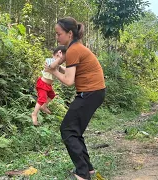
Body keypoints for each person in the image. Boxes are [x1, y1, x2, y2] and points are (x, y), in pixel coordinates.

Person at [45, 17, 106, 180]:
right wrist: (57, 66)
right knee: (74, 131)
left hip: (90, 93)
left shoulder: (73, 50)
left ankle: (82, 173)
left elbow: (68, 81)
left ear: (69, 33)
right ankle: (88, 169)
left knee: (67, 129)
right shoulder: (74, 48)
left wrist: (54, 72)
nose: (57, 38)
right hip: (94, 92)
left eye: (59, 34)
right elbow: (69, 71)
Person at [31, 46, 67, 126]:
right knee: (42, 98)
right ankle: (34, 114)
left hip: (48, 85)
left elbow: (65, 70)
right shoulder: (49, 60)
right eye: (62, 59)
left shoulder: (58, 65)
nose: (62, 61)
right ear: (58, 54)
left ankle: (43, 106)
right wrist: (58, 59)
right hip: (42, 84)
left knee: (52, 95)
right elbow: (51, 66)